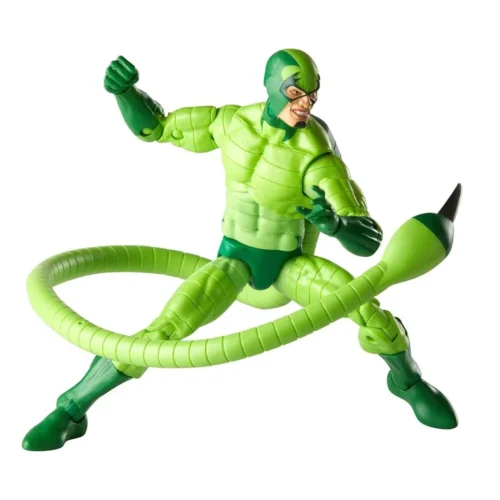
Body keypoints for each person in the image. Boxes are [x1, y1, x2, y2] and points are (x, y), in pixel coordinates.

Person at [23, 49, 457, 451]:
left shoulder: (318, 158)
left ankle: (409, 383)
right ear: (270, 86)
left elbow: (369, 242)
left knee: (369, 312)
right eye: (295, 92)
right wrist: (126, 92)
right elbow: (156, 128)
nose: (305, 103)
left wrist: (339, 225)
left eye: (312, 94)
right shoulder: (231, 124)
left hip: (290, 269)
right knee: (158, 336)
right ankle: (72, 410)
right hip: (233, 263)